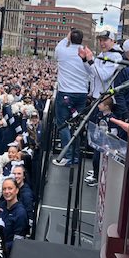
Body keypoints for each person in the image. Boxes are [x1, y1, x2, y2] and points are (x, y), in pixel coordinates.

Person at [52, 29, 89, 167]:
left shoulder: (62, 51)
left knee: (62, 124)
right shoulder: (86, 53)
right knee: (77, 126)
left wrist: (67, 38)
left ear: (70, 38)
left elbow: (58, 47)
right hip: (82, 94)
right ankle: (75, 157)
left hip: (66, 93)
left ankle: (68, 156)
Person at [0, 177, 29, 253]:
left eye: (10, 188)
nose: (6, 191)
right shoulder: (2, 205)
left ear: (17, 190)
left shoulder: (20, 213)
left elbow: (18, 242)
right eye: (4, 189)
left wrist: (1, 247)